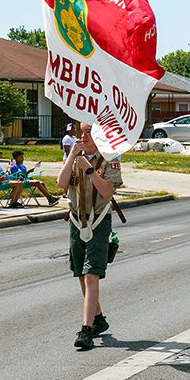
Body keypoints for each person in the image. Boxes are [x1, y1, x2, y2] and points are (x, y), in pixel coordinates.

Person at [56, 123, 122, 350]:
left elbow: (106, 191)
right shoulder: (75, 156)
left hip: (99, 220)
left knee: (92, 273)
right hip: (77, 219)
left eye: (87, 132)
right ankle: (99, 318)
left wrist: (90, 170)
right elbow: (61, 185)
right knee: (81, 274)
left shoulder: (109, 158)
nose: (82, 136)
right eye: (80, 132)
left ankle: (86, 329)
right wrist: (72, 156)